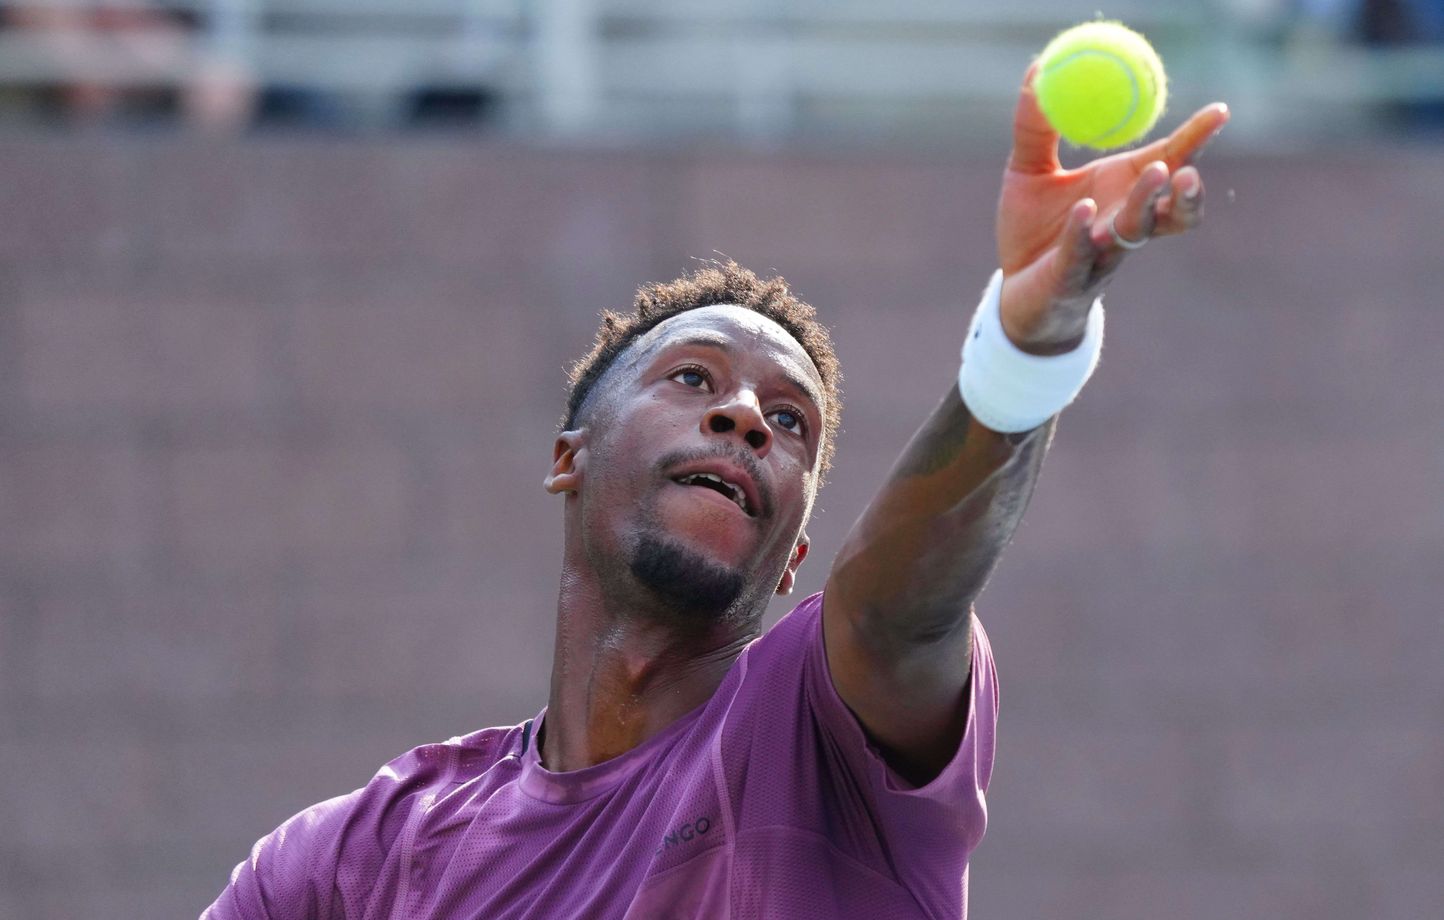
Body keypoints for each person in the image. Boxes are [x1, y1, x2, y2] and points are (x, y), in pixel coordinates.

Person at [202, 66, 1229, 919]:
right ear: (570, 456)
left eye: (789, 422)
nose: (743, 414)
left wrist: (1023, 347)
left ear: (791, 553)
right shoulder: (364, 855)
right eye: (691, 378)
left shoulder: (814, 724)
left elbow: (898, 603)